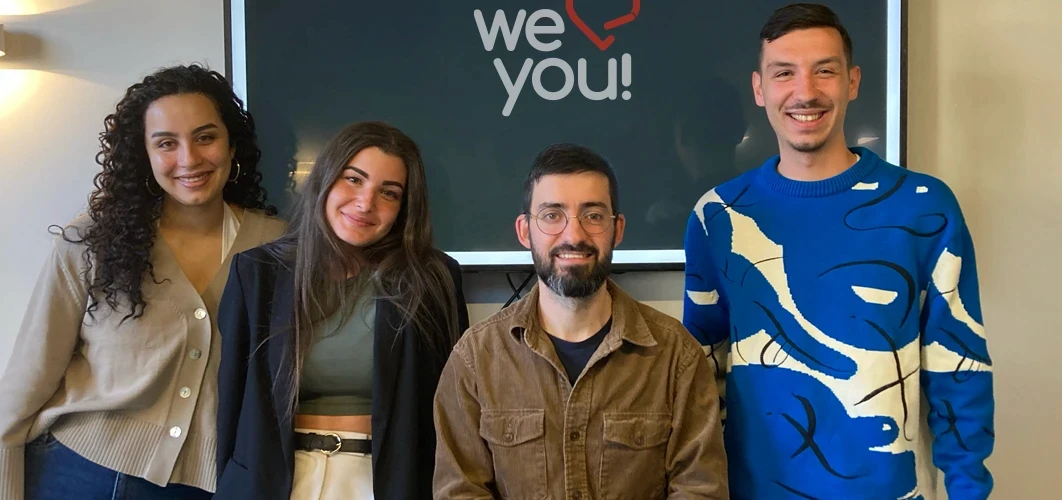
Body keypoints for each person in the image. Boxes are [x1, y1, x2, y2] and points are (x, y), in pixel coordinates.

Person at [682, 4, 994, 499]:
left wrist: (968, 490)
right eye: (784, 73)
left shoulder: (925, 208)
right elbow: (699, 376)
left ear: (852, 81)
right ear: (760, 89)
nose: (805, 92)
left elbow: (959, 368)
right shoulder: (717, 217)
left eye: (824, 70)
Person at [0, 64, 286, 499]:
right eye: (166, 143)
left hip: (210, 483)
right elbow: (29, 377)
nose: (189, 159)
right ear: (144, 155)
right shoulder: (93, 239)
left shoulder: (280, 245)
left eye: (205, 137)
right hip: (79, 472)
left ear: (232, 144)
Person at [433, 143, 729, 499]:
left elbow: (701, 490)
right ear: (525, 230)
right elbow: (459, 491)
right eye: (552, 215)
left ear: (617, 229)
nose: (574, 235)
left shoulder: (676, 356)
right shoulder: (475, 359)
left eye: (593, 215)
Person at [215, 121, 470, 499]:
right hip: (274, 482)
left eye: (389, 192)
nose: (367, 203)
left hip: (385, 482)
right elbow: (231, 403)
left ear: (404, 208)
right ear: (325, 179)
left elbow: (453, 408)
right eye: (354, 179)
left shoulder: (433, 279)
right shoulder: (256, 274)